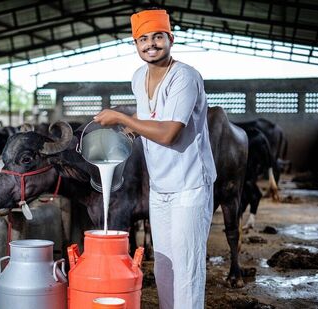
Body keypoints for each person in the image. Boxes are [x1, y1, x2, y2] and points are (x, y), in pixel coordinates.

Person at [93, 8, 217, 309]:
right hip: (160, 187)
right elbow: (148, 115)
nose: (151, 44)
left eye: (157, 37)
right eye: (143, 39)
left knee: (186, 268)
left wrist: (122, 118)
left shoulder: (184, 77)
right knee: (164, 266)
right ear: (135, 45)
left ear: (170, 39)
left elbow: (169, 133)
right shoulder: (138, 78)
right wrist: (128, 132)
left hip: (189, 186)